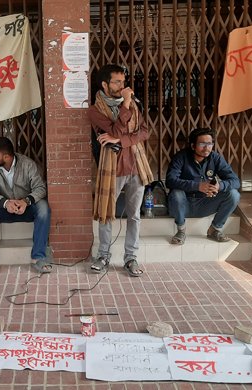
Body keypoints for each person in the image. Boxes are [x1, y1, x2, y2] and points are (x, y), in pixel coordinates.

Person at [88, 64, 154, 277]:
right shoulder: (95, 110)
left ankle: (131, 258)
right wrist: (125, 104)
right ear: (105, 84)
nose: (122, 86)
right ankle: (104, 255)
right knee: (106, 214)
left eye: (123, 82)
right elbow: (115, 129)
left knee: (134, 215)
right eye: (117, 82)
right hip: (112, 169)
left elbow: (144, 132)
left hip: (136, 165)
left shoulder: (134, 104)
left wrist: (121, 140)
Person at [0, 137, 51, 276]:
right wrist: (5, 202)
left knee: (43, 207)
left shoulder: (27, 164)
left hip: (25, 208)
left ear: (6, 156)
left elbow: (40, 188)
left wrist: (25, 201)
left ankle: (39, 256)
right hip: (3, 208)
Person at [165, 128, 241, 244]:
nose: (207, 148)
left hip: (205, 203)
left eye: (209, 144)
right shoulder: (181, 157)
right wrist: (197, 186)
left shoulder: (215, 158)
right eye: (202, 144)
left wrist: (219, 186)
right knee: (176, 193)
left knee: (234, 194)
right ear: (192, 145)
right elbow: (170, 181)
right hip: (183, 205)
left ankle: (215, 229)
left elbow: (235, 181)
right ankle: (181, 230)